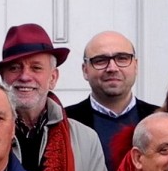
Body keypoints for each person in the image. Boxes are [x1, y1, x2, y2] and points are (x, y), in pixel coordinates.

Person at [0, 22, 108, 171]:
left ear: (53, 78)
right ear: (3, 78)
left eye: (36, 68)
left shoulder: (86, 139)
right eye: (14, 68)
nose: (25, 76)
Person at [64, 31, 158, 164]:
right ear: (85, 70)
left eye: (122, 58)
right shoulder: (65, 122)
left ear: (135, 66)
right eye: (101, 61)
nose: (112, 68)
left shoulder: (160, 118)